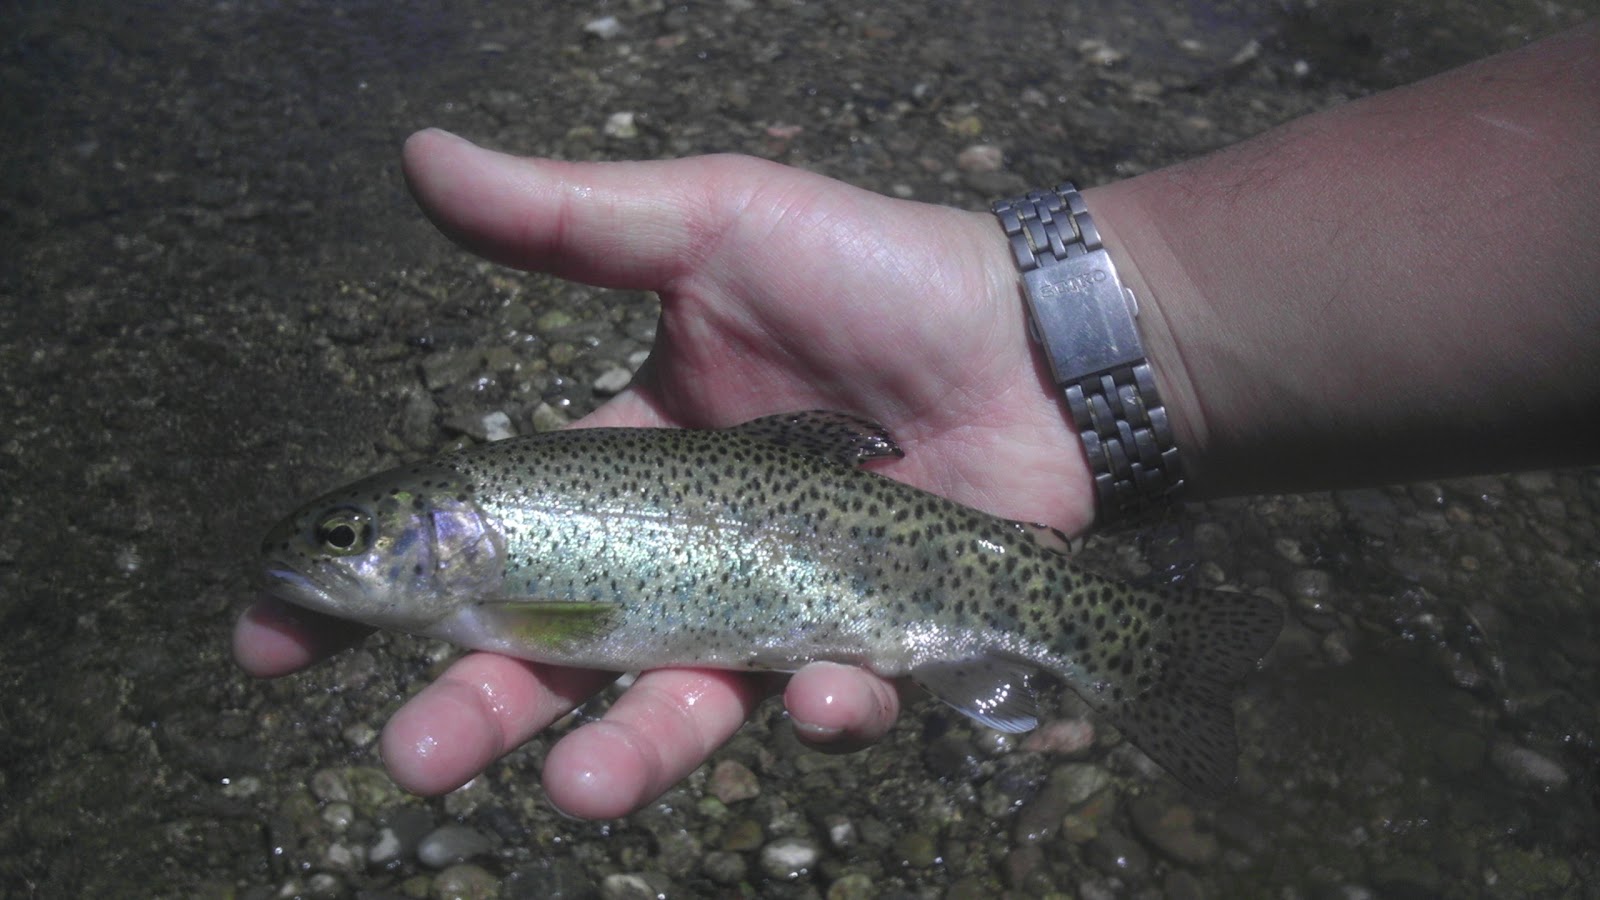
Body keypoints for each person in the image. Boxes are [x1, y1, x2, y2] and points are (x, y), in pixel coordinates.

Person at [234, 23, 1597, 820]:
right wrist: (1122, 325)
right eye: (349, 542)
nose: (337, 558)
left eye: (353, 539)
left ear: (444, 537)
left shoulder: (508, 589)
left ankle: (1125, 647)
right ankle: (1114, 644)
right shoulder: (496, 568)